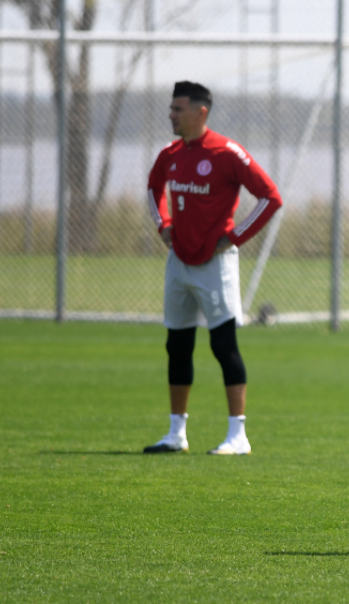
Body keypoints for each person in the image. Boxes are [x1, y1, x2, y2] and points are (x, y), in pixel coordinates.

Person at [143, 81, 282, 455]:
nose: (171, 115)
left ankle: (238, 436)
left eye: (178, 109)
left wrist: (234, 237)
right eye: (171, 108)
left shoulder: (227, 152)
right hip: (178, 263)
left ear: (200, 112)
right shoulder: (170, 154)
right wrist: (164, 227)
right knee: (177, 346)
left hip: (215, 264)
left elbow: (271, 197)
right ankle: (176, 433)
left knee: (224, 347)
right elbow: (153, 188)